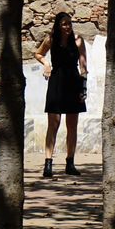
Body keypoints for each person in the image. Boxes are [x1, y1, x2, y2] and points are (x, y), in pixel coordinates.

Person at [35, 12, 88, 177]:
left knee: (72, 125)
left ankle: (70, 163)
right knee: (53, 123)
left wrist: (83, 88)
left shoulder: (78, 40)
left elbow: (83, 66)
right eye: (64, 24)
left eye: (69, 23)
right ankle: (48, 163)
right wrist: (46, 64)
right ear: (58, 25)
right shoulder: (51, 39)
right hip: (56, 81)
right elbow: (38, 53)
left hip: (73, 82)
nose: (67, 27)